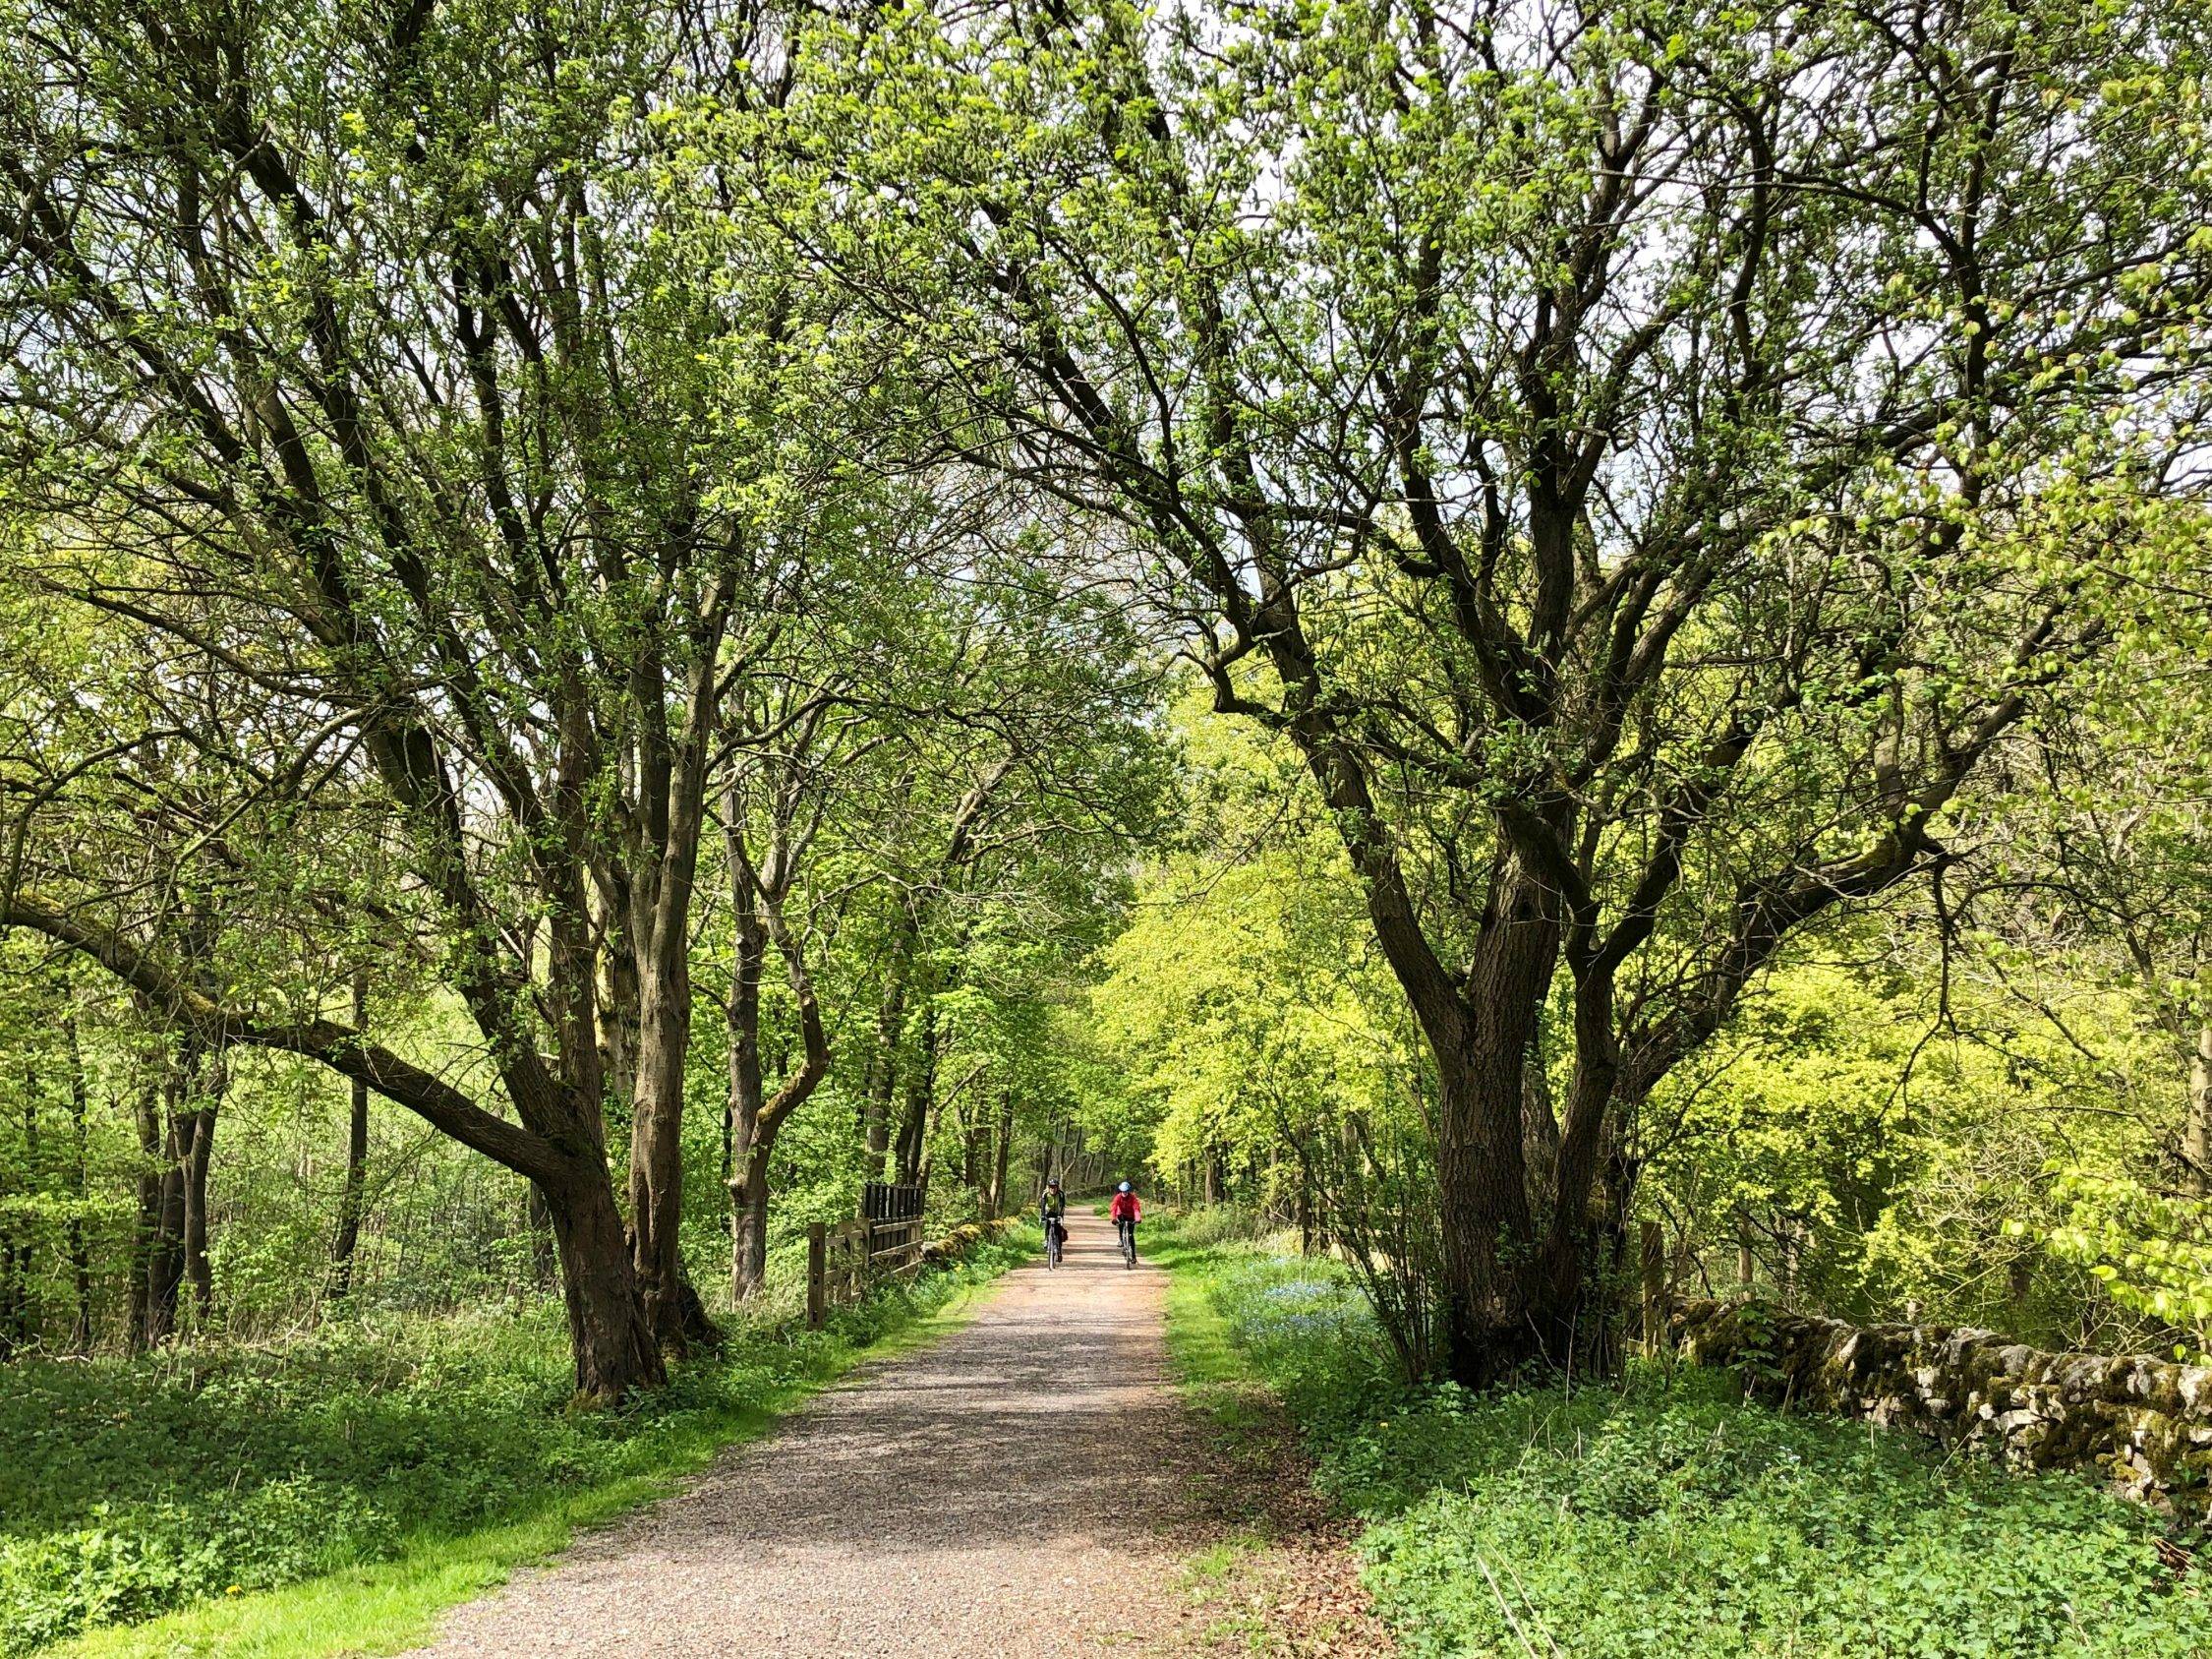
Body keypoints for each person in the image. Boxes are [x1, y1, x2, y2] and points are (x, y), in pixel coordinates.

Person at [1109, 1181, 1141, 1267]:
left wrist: (1138, 1218)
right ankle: (1121, 1239)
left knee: (1131, 1235)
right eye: (1123, 1191)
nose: (1124, 1193)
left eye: (1126, 1191)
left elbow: (1136, 1209)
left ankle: (1133, 1255)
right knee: (1120, 1226)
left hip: (1131, 1216)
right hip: (1121, 1215)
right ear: (1121, 1191)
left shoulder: (1133, 1198)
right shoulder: (1118, 1197)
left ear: (1128, 1191)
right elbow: (1114, 1208)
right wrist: (1113, 1218)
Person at [1040, 1178, 1068, 1268]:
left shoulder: (1061, 1194)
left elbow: (1063, 1206)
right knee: (1047, 1225)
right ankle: (1046, 1239)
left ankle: (1059, 1252)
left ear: (1057, 1187)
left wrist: (1060, 1216)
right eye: (1051, 1187)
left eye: (1055, 1187)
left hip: (1058, 1213)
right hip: (1048, 1213)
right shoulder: (1045, 1194)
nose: (1053, 1189)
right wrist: (1043, 1216)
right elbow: (1043, 1206)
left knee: (1058, 1231)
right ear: (1048, 1187)